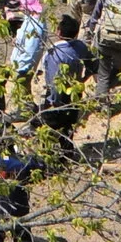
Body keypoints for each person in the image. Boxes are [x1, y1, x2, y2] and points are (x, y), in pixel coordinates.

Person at [37, 14, 93, 156]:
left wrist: (53, 102)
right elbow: (94, 64)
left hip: (57, 98)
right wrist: (83, 79)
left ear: (59, 32)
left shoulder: (55, 53)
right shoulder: (80, 47)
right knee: (68, 127)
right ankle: (67, 156)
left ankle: (48, 159)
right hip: (75, 94)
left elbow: (54, 82)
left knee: (49, 131)